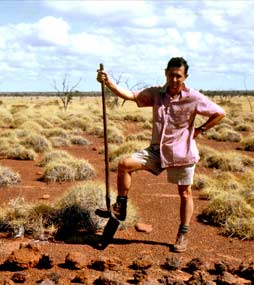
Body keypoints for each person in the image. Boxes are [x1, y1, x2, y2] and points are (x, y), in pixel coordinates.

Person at [96, 57, 225, 253]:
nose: (174, 80)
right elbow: (129, 95)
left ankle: (183, 233)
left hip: (182, 152)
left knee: (185, 193)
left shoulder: (194, 97)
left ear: (185, 77)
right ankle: (120, 206)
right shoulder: (156, 94)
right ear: (165, 73)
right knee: (125, 164)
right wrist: (108, 82)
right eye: (171, 75)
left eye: (178, 76)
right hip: (157, 150)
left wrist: (200, 129)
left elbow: (219, 113)